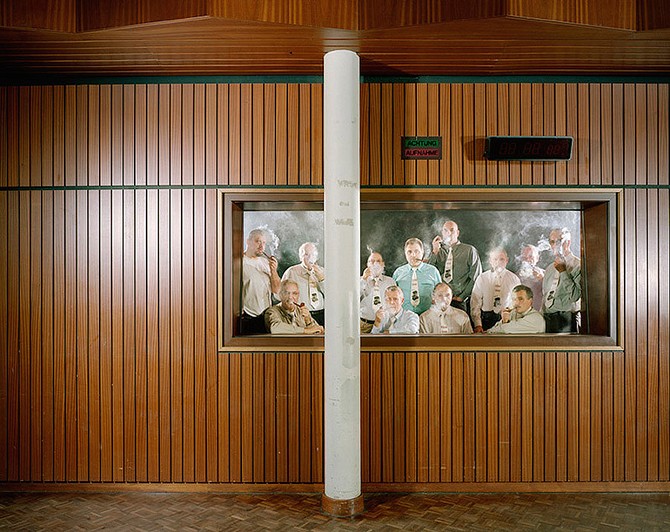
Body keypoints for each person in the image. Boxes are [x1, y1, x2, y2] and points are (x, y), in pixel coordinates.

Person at [427, 220, 482, 313]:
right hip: (439, 300)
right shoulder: (438, 251)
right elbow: (428, 274)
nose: (449, 233)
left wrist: (462, 297)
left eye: (452, 230)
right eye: (445, 230)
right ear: (442, 233)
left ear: (457, 233)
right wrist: (435, 252)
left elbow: (476, 276)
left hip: (458, 300)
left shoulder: (469, 250)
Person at [470, 248, 521, 333]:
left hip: (505, 319)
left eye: (502, 259)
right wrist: (477, 324)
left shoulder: (514, 279)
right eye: (495, 259)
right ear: (490, 261)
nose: (498, 262)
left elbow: (517, 302)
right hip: (485, 319)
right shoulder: (482, 278)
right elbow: (475, 302)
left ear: (507, 260)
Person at [241, 228, 281, 334]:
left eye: (263, 243)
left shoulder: (265, 262)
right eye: (258, 241)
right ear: (248, 242)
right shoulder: (239, 262)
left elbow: (276, 290)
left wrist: (273, 271)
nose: (261, 246)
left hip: (267, 316)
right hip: (248, 317)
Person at [541, 228, 581, 333]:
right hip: (548, 319)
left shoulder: (578, 265)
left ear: (568, 242)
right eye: (552, 242)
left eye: (558, 241)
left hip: (567, 320)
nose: (555, 245)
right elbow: (545, 296)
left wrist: (563, 272)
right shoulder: (550, 268)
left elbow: (575, 296)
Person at [392, 238, 442, 315]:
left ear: (422, 252)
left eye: (416, 251)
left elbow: (440, 294)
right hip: (404, 317)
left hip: (428, 316)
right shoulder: (398, 273)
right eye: (409, 252)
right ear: (405, 254)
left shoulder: (433, 271)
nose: (413, 255)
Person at [281, 242, 325, 325]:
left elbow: (333, 296)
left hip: (322, 314)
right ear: (300, 257)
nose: (310, 258)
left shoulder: (323, 271)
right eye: (306, 254)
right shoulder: (291, 272)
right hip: (301, 316)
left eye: (313, 254)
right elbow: (279, 295)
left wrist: (322, 280)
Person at [360, 251, 396, 333]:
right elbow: (354, 299)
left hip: (384, 325)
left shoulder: (390, 281)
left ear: (383, 264)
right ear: (367, 264)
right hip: (364, 324)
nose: (375, 264)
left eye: (378, 261)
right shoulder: (360, 281)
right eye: (372, 261)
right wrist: (364, 280)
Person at [516, 244, 544, 311]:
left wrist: (542, 279)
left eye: (531, 256)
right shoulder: (515, 277)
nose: (528, 260)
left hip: (539, 312)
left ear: (537, 258)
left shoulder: (546, 274)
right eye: (524, 258)